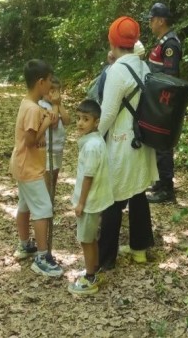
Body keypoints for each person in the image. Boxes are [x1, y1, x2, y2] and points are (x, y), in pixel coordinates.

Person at [97, 17, 158, 270]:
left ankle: (105, 259)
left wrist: (93, 137)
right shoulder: (143, 66)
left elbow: (108, 113)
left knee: (113, 195)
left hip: (121, 142)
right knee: (138, 192)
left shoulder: (117, 71)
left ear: (112, 42)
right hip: (142, 140)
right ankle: (139, 249)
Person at [9, 59, 63, 277]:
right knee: (43, 208)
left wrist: (48, 117)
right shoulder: (32, 109)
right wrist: (46, 124)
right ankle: (42, 257)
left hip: (23, 165)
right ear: (40, 82)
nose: (51, 84)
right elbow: (31, 141)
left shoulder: (29, 104)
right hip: (29, 167)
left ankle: (24, 244)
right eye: (49, 80)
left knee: (24, 204)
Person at [67, 99, 114, 295]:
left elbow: (88, 176)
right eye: (78, 118)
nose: (80, 123)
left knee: (86, 239)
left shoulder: (92, 146)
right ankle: (93, 267)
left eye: (85, 119)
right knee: (91, 237)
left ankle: (90, 278)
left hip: (89, 201)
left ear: (96, 122)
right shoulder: (94, 140)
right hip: (93, 200)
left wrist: (81, 203)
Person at [145, 2, 182, 204]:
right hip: (157, 100)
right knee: (157, 142)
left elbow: (170, 77)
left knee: (163, 146)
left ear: (160, 21)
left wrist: (161, 104)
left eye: (152, 19)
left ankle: (167, 189)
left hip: (164, 102)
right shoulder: (163, 42)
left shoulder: (171, 45)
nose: (150, 23)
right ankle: (159, 182)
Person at [39, 75, 69, 197]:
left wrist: (59, 104)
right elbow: (54, 122)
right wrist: (56, 105)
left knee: (54, 180)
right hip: (48, 149)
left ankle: (51, 202)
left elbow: (67, 120)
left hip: (58, 148)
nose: (55, 95)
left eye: (57, 91)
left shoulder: (57, 105)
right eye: (52, 91)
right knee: (47, 181)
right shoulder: (42, 105)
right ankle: (46, 204)